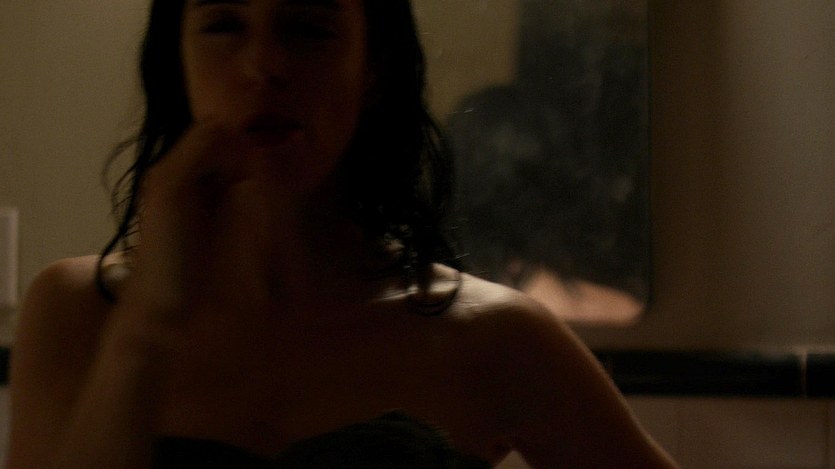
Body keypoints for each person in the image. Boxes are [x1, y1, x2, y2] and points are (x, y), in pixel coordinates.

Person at [6, 0, 678, 467]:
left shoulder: (495, 336)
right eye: (223, 25)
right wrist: (147, 328)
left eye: (308, 29)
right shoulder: (78, 310)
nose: (265, 64)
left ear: (372, 67)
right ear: (178, 63)